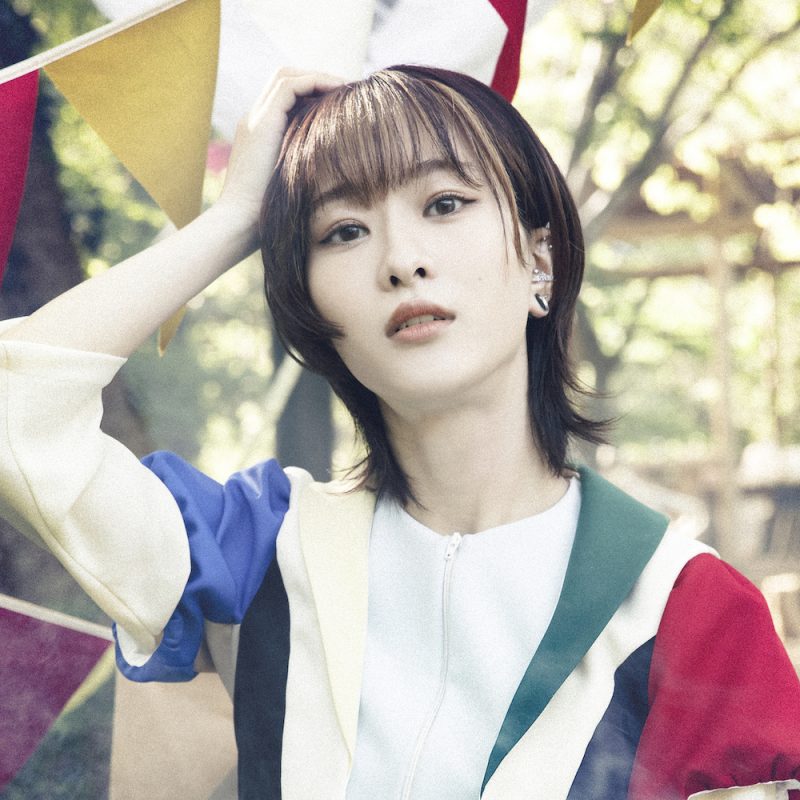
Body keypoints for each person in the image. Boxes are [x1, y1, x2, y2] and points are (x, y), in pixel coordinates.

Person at [0, 65, 798, 800]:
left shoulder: (681, 604)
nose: (400, 260)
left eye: (444, 204)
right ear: (313, 311)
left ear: (540, 265)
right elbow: (18, 410)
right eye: (342, 231)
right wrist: (236, 219)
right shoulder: (255, 551)